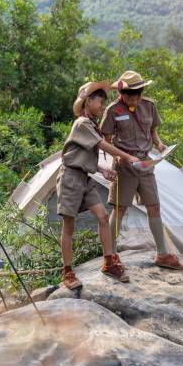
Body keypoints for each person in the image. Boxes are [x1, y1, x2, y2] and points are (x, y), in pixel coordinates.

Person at [56, 81, 140, 290]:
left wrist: (102, 170)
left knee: (103, 216)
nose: (103, 106)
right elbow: (102, 145)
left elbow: (85, 154)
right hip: (70, 179)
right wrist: (128, 157)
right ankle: (67, 272)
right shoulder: (82, 123)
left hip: (84, 177)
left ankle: (109, 262)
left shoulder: (91, 125)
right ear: (88, 102)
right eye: (100, 101)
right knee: (69, 225)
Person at [100, 71, 183, 270]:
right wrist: (118, 157)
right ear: (121, 92)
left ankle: (162, 254)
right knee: (120, 209)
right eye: (131, 94)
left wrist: (160, 145)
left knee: (154, 206)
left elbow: (153, 132)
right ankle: (111, 255)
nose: (135, 97)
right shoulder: (113, 110)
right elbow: (106, 140)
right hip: (124, 166)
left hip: (146, 164)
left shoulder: (149, 106)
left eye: (139, 93)